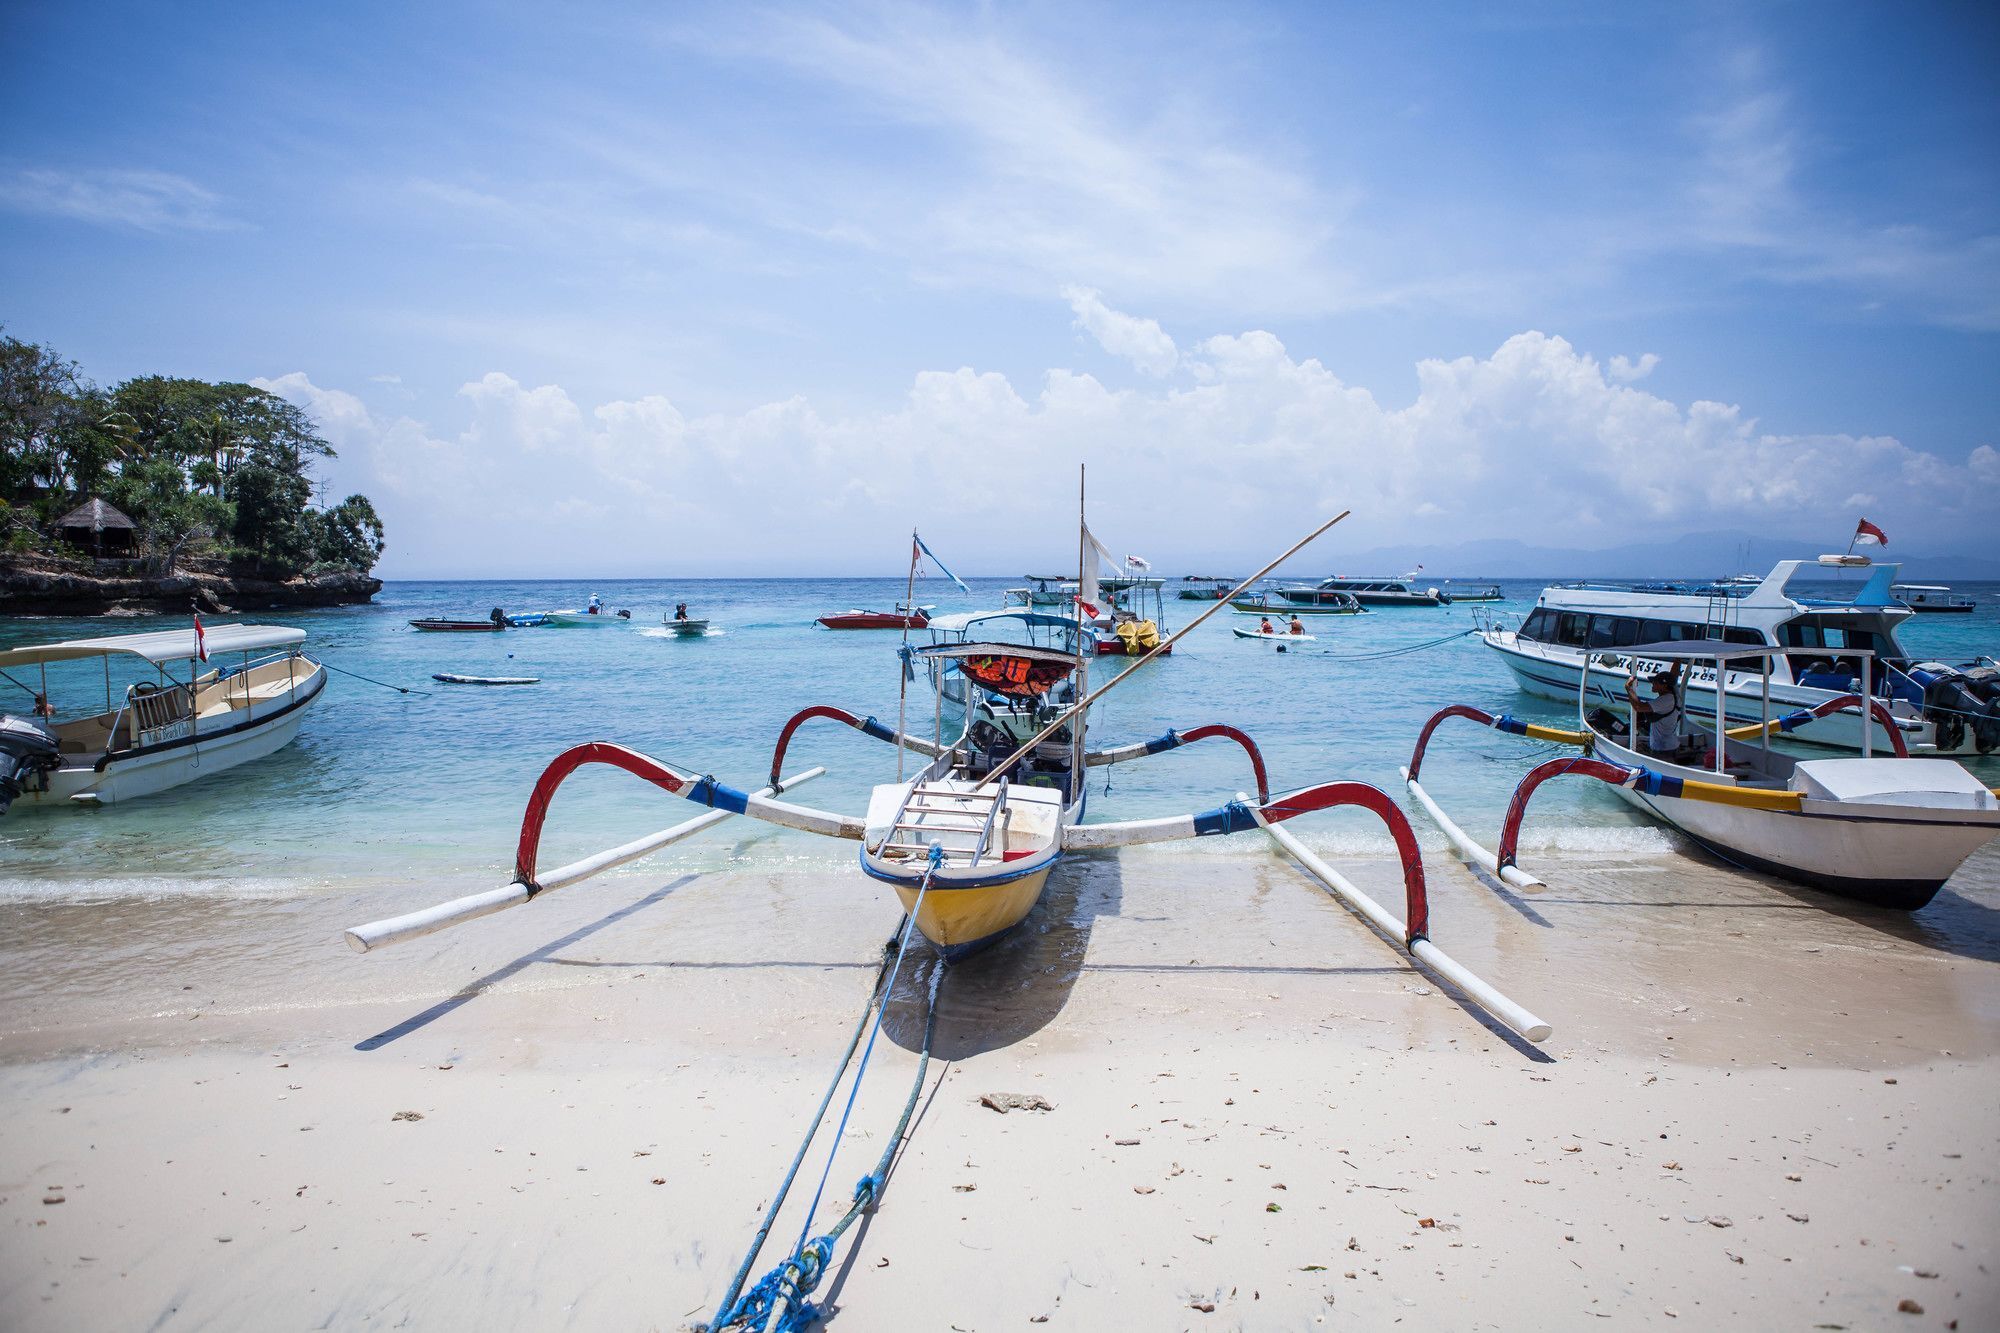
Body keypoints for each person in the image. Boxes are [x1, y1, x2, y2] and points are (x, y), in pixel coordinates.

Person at [1626, 664, 1690, 757]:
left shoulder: (1665, 700)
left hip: (1663, 750)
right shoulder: (1674, 694)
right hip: (1670, 745)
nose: (1652, 684)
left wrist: (1629, 688)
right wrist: (1678, 658)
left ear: (1664, 686)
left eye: (1655, 682)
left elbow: (1638, 707)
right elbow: (1673, 676)